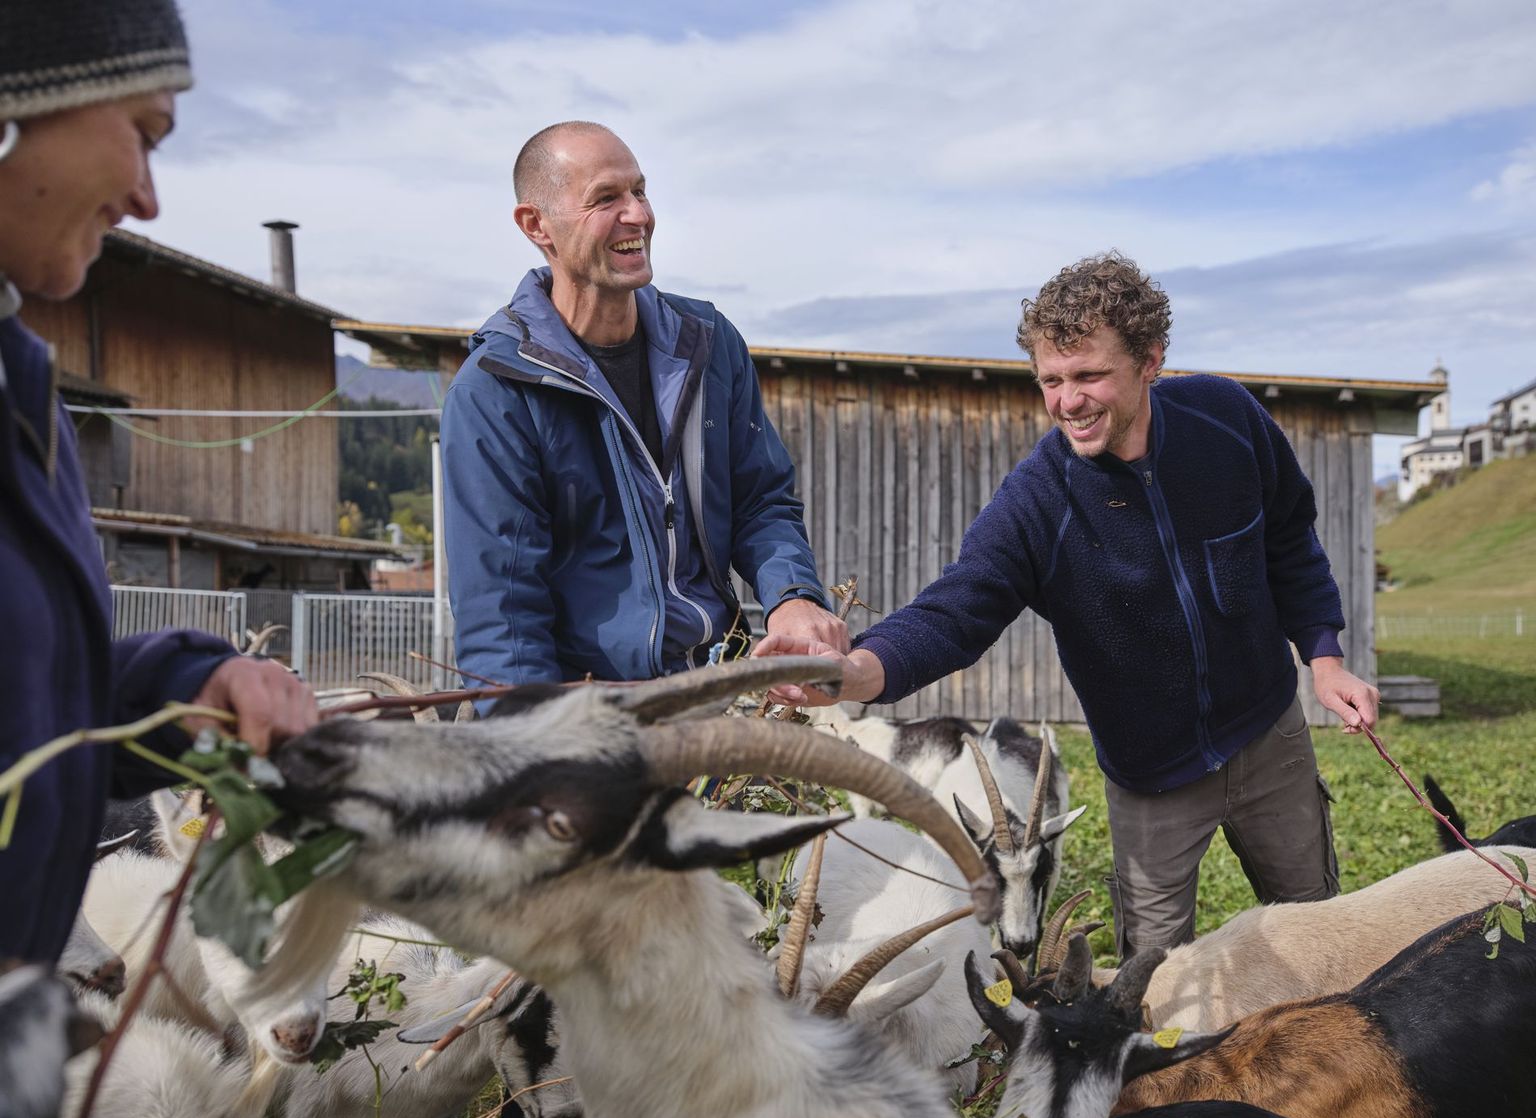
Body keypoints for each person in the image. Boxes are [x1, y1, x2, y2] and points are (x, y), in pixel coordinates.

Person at [759, 252, 1380, 959]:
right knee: (1151, 977)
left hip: (1270, 735)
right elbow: (955, 611)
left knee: (1322, 936)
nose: (1068, 401)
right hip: (1154, 777)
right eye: (1051, 381)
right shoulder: (1038, 502)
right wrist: (857, 673)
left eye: (1089, 375)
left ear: (1150, 359)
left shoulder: (1227, 422)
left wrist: (1324, 657)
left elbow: (1290, 538)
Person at [0, 0, 317, 968]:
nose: (147, 198)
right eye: (142, 135)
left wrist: (189, 684)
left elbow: (34, 701)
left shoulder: (22, 388)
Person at [441, 121, 846, 696]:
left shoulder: (708, 342)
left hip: (717, 686)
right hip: (590, 710)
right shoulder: (496, 391)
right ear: (537, 226)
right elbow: (503, 613)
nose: (639, 215)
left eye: (640, 191)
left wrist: (793, 597)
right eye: (606, 198)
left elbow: (762, 500)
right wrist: (538, 752)